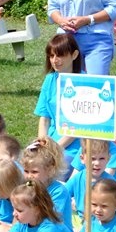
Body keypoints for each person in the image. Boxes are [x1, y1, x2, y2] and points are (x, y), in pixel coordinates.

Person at [35, 33, 83, 165]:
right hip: (52, 140)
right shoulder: (50, 79)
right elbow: (44, 118)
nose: (55, 60)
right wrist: (42, 143)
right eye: (51, 56)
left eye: (60, 55)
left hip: (77, 145)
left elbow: (78, 127)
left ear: (74, 55)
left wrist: (55, 149)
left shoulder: (84, 82)